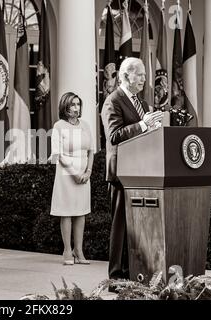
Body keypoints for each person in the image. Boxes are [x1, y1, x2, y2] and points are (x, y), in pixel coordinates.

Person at [101, 58, 164, 282]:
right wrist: (143, 125)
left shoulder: (143, 104)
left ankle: (133, 273)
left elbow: (143, 134)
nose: (145, 80)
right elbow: (115, 135)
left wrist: (155, 128)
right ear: (126, 75)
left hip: (142, 171)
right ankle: (116, 277)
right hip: (121, 172)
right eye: (140, 75)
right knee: (120, 226)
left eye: (145, 75)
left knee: (137, 226)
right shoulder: (112, 101)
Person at [50, 92, 94, 265]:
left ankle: (79, 250)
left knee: (81, 212)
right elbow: (58, 154)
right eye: (72, 105)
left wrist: (88, 171)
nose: (76, 108)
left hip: (84, 173)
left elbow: (91, 150)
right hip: (67, 173)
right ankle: (67, 250)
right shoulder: (59, 126)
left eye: (78, 104)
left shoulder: (85, 125)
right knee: (67, 212)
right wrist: (74, 173)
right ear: (65, 107)